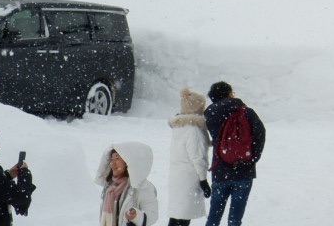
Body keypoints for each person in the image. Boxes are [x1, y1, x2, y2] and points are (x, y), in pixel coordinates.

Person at [202, 82, 265, 226]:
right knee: (235, 219)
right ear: (230, 93)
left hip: (220, 170)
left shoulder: (210, 114)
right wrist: (252, 158)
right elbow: (260, 134)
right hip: (244, 170)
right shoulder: (246, 111)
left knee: (213, 217)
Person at [166, 88, 212, 226]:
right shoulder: (194, 130)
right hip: (189, 178)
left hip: (177, 176)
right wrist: (203, 180)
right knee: (183, 217)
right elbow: (198, 158)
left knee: (176, 215)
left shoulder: (179, 128)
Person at [93, 144, 158, 226]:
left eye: (117, 159)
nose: (112, 163)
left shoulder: (142, 187)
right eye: (111, 159)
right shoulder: (109, 187)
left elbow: (153, 215)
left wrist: (136, 217)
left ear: (128, 162)